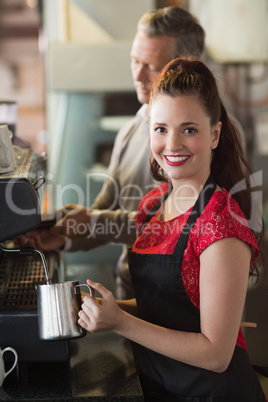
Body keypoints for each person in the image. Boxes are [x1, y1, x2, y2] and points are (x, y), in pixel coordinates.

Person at [21, 6, 245, 299]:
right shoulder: (131, 131)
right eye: (134, 61)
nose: (138, 75)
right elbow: (107, 212)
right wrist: (64, 235)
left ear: (185, 69)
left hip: (185, 304)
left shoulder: (217, 137)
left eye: (151, 66)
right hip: (134, 295)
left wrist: (95, 221)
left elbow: (181, 228)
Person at [77, 57, 266, 401]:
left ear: (215, 134)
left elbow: (216, 354)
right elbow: (165, 307)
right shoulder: (152, 205)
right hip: (160, 385)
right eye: (161, 129)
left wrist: (121, 323)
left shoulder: (221, 223)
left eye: (189, 129)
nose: (173, 143)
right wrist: (108, 309)